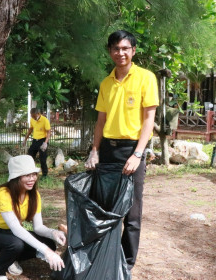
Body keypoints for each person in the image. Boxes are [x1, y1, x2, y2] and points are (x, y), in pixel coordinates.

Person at [85, 30, 159, 270]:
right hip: (108, 151)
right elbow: (100, 122)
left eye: (125, 48)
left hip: (131, 150)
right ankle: (104, 259)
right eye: (116, 48)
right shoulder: (106, 83)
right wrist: (94, 150)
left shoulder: (146, 78)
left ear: (133, 51)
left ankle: (126, 264)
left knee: (132, 212)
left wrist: (138, 154)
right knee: (104, 208)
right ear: (110, 52)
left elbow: (149, 120)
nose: (121, 53)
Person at [0, 155, 65, 280]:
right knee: (16, 244)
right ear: (16, 178)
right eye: (27, 175)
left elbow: (38, 227)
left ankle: (12, 259)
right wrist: (46, 252)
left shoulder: (34, 195)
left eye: (34, 174)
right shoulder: (4, 193)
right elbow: (16, 229)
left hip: (11, 233)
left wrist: (53, 233)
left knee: (49, 243)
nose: (32, 179)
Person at [23, 108, 51, 178]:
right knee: (30, 156)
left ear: (38, 114)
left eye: (34, 116)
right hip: (35, 140)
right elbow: (30, 130)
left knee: (42, 158)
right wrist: (25, 139)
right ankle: (30, 173)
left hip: (43, 140)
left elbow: (49, 132)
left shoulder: (45, 120)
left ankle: (45, 175)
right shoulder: (32, 120)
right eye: (32, 116)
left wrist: (45, 143)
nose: (33, 118)